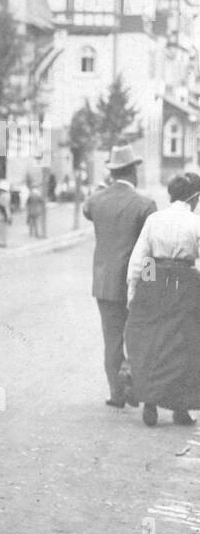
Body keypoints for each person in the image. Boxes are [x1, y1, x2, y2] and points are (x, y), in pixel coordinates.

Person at [124, 172, 200, 427]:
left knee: (152, 341)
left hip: (153, 278)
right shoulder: (195, 222)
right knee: (183, 345)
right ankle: (180, 408)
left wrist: (138, 289)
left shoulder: (155, 220)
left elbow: (142, 258)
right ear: (195, 196)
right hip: (185, 283)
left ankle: (150, 403)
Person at [83, 144, 156, 408]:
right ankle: (137, 390)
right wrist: (150, 282)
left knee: (112, 341)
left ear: (113, 172)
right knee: (138, 338)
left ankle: (116, 394)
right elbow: (151, 249)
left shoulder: (96, 200)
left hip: (104, 284)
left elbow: (86, 209)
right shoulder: (145, 204)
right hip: (136, 284)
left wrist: (104, 185)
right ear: (133, 171)